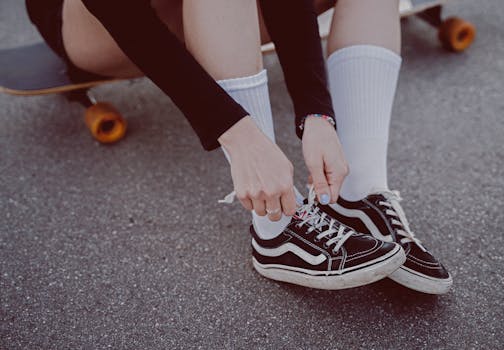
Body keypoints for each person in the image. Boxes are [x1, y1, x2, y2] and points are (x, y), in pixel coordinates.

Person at [25, 0, 451, 293]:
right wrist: (239, 133)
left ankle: (357, 194)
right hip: (100, 27)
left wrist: (317, 114)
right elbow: (121, 14)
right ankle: (276, 227)